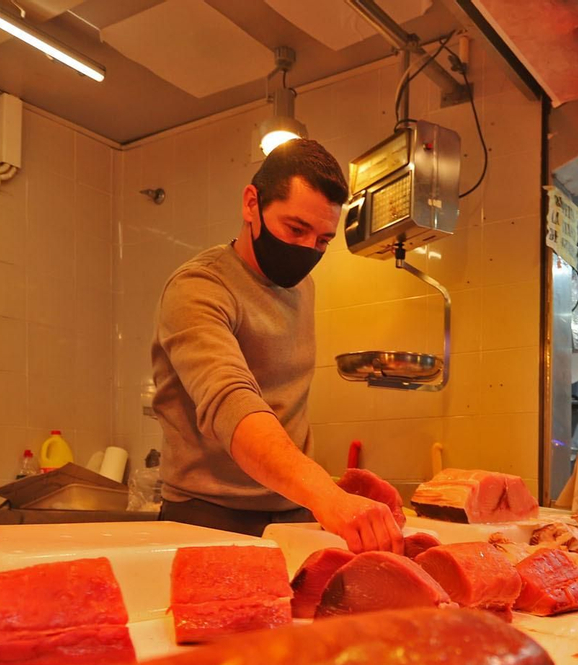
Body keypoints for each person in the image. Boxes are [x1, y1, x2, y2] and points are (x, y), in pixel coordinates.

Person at [150, 139, 403, 551]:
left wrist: (320, 496)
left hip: (294, 511)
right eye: (296, 229)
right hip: (208, 517)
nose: (306, 250)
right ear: (252, 204)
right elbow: (231, 401)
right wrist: (327, 494)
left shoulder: (304, 288)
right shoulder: (198, 287)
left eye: (322, 240)